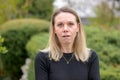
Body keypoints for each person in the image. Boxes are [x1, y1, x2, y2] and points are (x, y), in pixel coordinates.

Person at [34, 7, 100, 80]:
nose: (65, 29)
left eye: (70, 24)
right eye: (60, 25)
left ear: (78, 27)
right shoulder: (42, 58)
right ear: (54, 29)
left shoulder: (91, 57)